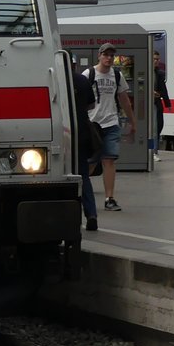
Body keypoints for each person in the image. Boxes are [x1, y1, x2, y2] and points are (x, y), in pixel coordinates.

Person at [84, 42, 136, 211]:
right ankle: (84, 194)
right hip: (93, 123)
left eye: (111, 55)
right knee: (91, 162)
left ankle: (109, 198)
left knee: (109, 160)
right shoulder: (89, 74)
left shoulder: (116, 75)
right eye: (106, 55)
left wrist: (132, 121)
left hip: (111, 123)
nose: (109, 58)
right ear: (99, 55)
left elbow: (124, 100)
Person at [72, 69, 98, 230]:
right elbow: (91, 104)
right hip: (80, 133)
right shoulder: (81, 80)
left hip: (58, 135)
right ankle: (91, 214)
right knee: (83, 176)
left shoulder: (51, 77)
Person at [151, 51, 170, 160]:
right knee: (153, 129)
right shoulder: (146, 72)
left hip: (157, 103)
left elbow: (163, 89)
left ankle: (154, 151)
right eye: (154, 59)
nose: (156, 61)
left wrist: (167, 103)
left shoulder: (160, 73)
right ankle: (153, 151)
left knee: (158, 127)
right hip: (148, 105)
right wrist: (150, 91)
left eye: (157, 59)